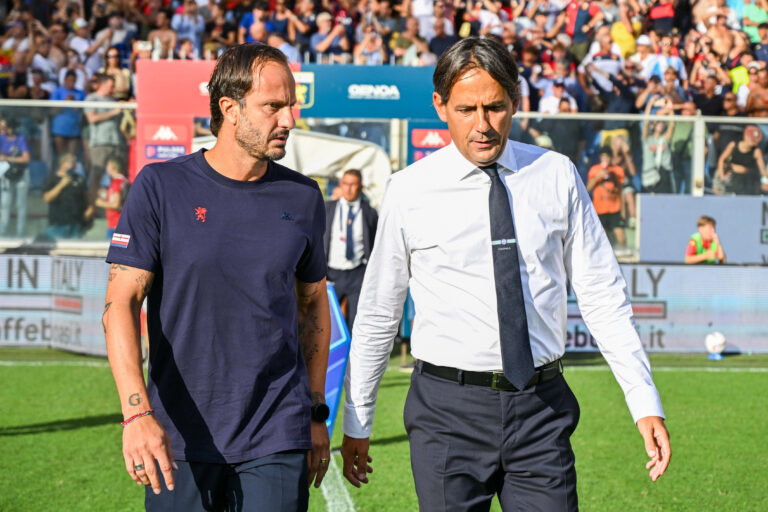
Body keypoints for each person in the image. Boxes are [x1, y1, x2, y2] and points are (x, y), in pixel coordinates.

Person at [341, 37, 670, 511]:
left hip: (542, 409)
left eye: (495, 107)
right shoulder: (409, 190)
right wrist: (359, 419)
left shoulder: (556, 175)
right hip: (446, 412)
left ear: (516, 100)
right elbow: (379, 311)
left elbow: (602, 295)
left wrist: (644, 401)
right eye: (466, 109)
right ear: (440, 106)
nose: (482, 125)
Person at [103, 44, 331, 511]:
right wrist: (136, 414)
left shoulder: (304, 197)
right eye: (273, 106)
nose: (288, 119)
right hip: (179, 435)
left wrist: (314, 411)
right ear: (229, 107)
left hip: (277, 431)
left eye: (291, 105)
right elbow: (120, 303)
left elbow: (312, 306)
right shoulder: (161, 187)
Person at [324, 169, 378, 333]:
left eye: (353, 184)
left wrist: (368, 275)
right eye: (345, 184)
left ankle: (351, 359)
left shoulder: (369, 212)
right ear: (340, 185)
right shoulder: (327, 208)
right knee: (326, 323)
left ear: (360, 187)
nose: (348, 189)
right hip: (331, 273)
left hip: (357, 274)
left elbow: (376, 245)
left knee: (356, 324)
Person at [85, 73, 124, 213]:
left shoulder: (113, 101)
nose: (113, 88)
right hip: (100, 144)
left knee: (118, 176)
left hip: (115, 143)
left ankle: (114, 207)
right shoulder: (92, 98)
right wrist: (113, 112)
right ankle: (91, 208)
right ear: (102, 84)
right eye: (110, 85)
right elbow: (92, 118)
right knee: (96, 176)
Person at [587, 147, 627, 251]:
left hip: (615, 208)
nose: (605, 159)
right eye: (603, 157)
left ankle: (622, 253)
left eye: (607, 157)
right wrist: (598, 177)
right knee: (603, 237)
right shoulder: (594, 170)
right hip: (600, 209)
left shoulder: (618, 170)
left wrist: (623, 210)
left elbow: (621, 191)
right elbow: (588, 188)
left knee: (621, 236)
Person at [42, 152, 88, 239]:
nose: (74, 163)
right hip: (57, 225)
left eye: (75, 161)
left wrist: (89, 209)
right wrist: (61, 185)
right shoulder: (51, 179)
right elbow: (47, 198)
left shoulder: (79, 179)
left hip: (75, 224)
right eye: (71, 161)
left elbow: (85, 196)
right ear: (62, 163)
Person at [715, 124, 768, 194]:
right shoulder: (733, 145)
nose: (754, 143)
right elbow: (722, 159)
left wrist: (746, 170)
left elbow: (763, 171)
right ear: (745, 136)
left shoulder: (756, 151)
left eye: (756, 141)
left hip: (747, 184)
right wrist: (722, 176)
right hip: (731, 181)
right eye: (752, 139)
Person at [0, 117, 30, 237]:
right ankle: (2, 232)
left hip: (20, 174)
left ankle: (20, 233)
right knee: (5, 204)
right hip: (6, 174)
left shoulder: (20, 138)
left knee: (20, 205)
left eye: (4, 127)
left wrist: (8, 158)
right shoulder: (1, 138)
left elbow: (26, 158)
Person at [94, 156, 129, 240]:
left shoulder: (116, 183)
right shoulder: (124, 181)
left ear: (112, 167)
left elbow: (116, 205)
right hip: (122, 224)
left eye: (107, 166)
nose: (106, 169)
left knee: (113, 250)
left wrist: (99, 202)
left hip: (115, 225)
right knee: (121, 250)